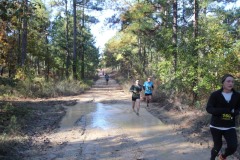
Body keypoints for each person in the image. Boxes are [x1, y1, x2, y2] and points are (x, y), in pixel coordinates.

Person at [206, 74, 240, 160]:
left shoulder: (237, 95)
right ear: (223, 83)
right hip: (216, 125)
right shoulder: (215, 94)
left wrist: (234, 112)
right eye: (228, 81)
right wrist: (223, 111)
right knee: (217, 146)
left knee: (233, 147)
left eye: (232, 81)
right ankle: (212, 158)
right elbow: (209, 108)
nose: (230, 83)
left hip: (229, 126)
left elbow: (238, 109)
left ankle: (223, 156)